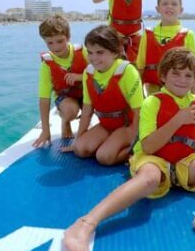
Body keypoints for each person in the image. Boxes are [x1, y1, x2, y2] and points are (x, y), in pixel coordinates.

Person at [63, 48, 195, 251]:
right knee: (149, 179)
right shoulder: (153, 102)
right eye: (176, 73)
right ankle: (86, 223)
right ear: (163, 76)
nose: (182, 80)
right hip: (154, 160)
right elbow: (148, 147)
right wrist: (178, 119)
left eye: (188, 75)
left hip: (182, 163)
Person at [62, 25, 144, 166]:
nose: (94, 58)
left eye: (100, 52)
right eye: (90, 52)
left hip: (128, 126)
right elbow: (87, 111)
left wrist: (135, 141)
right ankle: (109, 144)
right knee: (81, 150)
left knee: (104, 158)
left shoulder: (127, 71)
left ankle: (134, 152)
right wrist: (78, 140)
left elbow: (139, 111)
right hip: (106, 125)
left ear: (114, 52)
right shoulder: (88, 74)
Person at [33, 15, 88, 148]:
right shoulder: (47, 65)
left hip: (87, 94)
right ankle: (65, 120)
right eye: (50, 43)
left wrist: (79, 77)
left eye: (60, 41)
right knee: (70, 111)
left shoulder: (83, 52)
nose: (55, 47)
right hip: (66, 98)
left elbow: (100, 74)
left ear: (68, 37)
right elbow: (44, 98)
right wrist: (46, 130)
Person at [137, 0, 195, 95]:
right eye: (165, 3)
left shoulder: (188, 35)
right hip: (153, 95)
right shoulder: (147, 34)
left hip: (179, 95)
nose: (169, 7)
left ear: (181, 9)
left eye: (174, 4)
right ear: (158, 8)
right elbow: (140, 67)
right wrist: (139, 96)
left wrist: (194, 97)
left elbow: (194, 71)